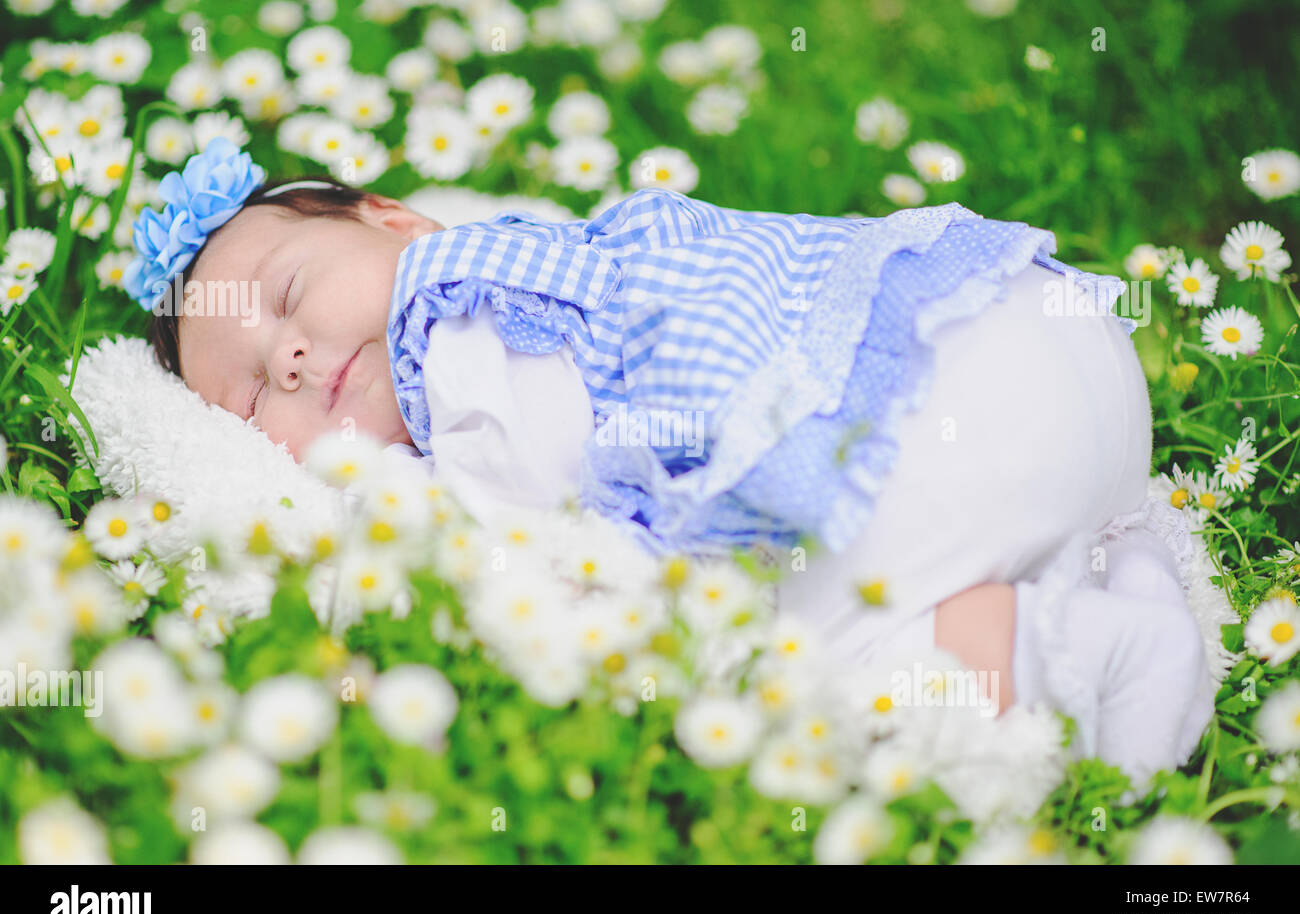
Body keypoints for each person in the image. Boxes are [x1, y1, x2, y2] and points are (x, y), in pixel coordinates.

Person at [130, 137, 1217, 788]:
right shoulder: (561, 265)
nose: (289, 355)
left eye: (283, 298)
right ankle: (1101, 584)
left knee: (779, 670)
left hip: (960, 392)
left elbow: (544, 544)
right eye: (249, 392)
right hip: (1040, 330)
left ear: (398, 221)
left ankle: (1044, 647)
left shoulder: (455, 321)